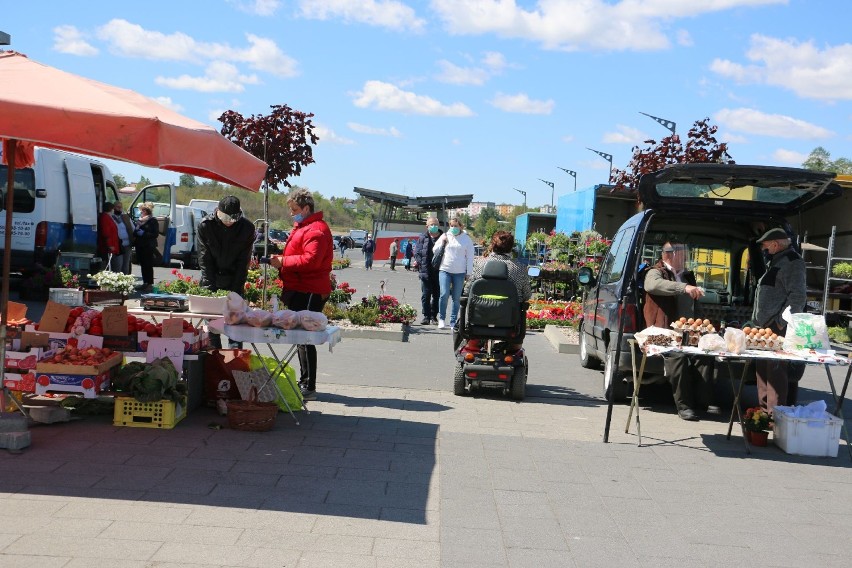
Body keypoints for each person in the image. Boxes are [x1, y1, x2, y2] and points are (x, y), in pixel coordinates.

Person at [269, 189, 334, 401]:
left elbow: (310, 261)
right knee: (301, 337)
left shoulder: (316, 230)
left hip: (309, 289)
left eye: (294, 210)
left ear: (306, 209)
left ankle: (309, 385)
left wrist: (283, 261)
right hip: (302, 288)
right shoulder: (306, 226)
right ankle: (306, 382)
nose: (292, 214)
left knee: (305, 337)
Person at [643, 241, 715, 421]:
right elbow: (652, 286)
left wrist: (702, 327)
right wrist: (684, 288)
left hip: (688, 333)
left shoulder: (687, 276)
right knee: (678, 358)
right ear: (669, 254)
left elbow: (694, 305)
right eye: (682, 254)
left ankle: (702, 402)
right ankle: (684, 406)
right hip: (663, 333)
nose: (686, 258)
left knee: (704, 357)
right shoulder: (655, 271)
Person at [752, 227, 807, 412]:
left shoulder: (792, 262)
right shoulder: (777, 260)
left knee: (775, 375)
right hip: (764, 328)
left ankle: (776, 417)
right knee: (762, 374)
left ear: (775, 244)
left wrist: (779, 323)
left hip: (777, 329)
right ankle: (762, 416)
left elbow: (798, 298)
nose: (763, 250)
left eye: (765, 246)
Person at [197, 195, 256, 349]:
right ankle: (214, 360)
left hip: (234, 279)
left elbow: (243, 262)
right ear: (217, 211)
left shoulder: (247, 228)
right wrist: (210, 292)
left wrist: (236, 292)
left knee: (235, 330)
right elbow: (205, 260)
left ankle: (234, 363)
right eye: (225, 217)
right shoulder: (205, 225)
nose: (229, 222)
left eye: (233, 218)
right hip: (212, 279)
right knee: (212, 329)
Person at [460, 231, 531, 353]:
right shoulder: (519, 268)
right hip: (509, 323)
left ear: (492, 245)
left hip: (479, 320)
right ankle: (513, 352)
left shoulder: (479, 263)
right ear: (511, 247)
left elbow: (467, 290)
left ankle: (466, 350)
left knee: (464, 337)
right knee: (515, 350)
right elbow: (526, 295)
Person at [434, 218, 475, 329]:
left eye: (456, 226)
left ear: (461, 227)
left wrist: (469, 272)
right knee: (444, 294)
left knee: (456, 298)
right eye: (451, 225)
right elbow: (435, 250)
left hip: (460, 272)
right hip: (445, 269)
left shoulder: (466, 239)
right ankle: (441, 319)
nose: (453, 228)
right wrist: (442, 243)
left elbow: (470, 257)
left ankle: (453, 321)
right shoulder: (446, 236)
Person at [414, 218, 443, 325]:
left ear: (439, 225)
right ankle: (426, 316)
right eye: (431, 224)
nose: (434, 226)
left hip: (439, 272)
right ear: (427, 226)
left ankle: (434, 316)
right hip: (425, 270)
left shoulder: (444, 238)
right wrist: (420, 262)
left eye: (435, 224)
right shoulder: (422, 237)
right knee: (426, 295)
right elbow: (416, 252)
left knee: (436, 295)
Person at [133, 202, 159, 293]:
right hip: (140, 245)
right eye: (141, 210)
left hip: (148, 245)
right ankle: (145, 282)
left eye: (143, 210)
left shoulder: (152, 220)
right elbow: (135, 232)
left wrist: (143, 233)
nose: (141, 212)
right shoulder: (140, 220)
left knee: (148, 265)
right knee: (143, 265)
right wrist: (136, 231)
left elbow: (155, 234)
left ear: (147, 211)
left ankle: (149, 284)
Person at [111, 201, 135, 274]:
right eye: (117, 207)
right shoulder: (111, 217)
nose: (119, 209)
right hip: (117, 244)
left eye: (120, 207)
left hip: (127, 244)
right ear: (114, 208)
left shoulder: (125, 217)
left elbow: (133, 228)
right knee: (118, 264)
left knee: (126, 264)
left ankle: (125, 281)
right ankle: (117, 282)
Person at [97, 201, 120, 270]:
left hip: (111, 245)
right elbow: (106, 232)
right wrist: (110, 245)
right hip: (108, 246)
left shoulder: (108, 217)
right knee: (108, 265)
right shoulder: (105, 217)